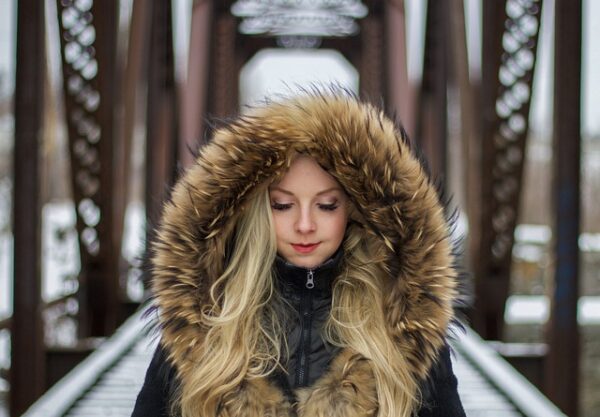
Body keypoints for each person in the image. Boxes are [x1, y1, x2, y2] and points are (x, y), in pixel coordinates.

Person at [132, 90, 466, 417]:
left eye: (326, 205)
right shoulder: (202, 322)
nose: (304, 225)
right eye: (282, 205)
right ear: (256, 211)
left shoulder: (405, 328)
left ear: (352, 210)